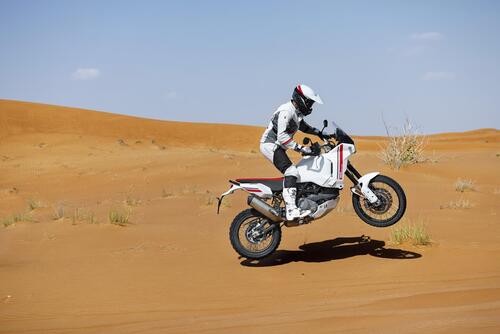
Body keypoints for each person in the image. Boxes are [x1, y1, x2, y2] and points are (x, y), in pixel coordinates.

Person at [260, 84, 325, 221]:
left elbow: (303, 127)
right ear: (301, 99)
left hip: (278, 147)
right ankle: (291, 210)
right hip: (270, 145)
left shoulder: (296, 113)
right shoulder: (286, 111)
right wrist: (302, 149)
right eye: (309, 102)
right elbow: (282, 137)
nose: (310, 106)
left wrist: (320, 133)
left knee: (299, 172)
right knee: (291, 172)